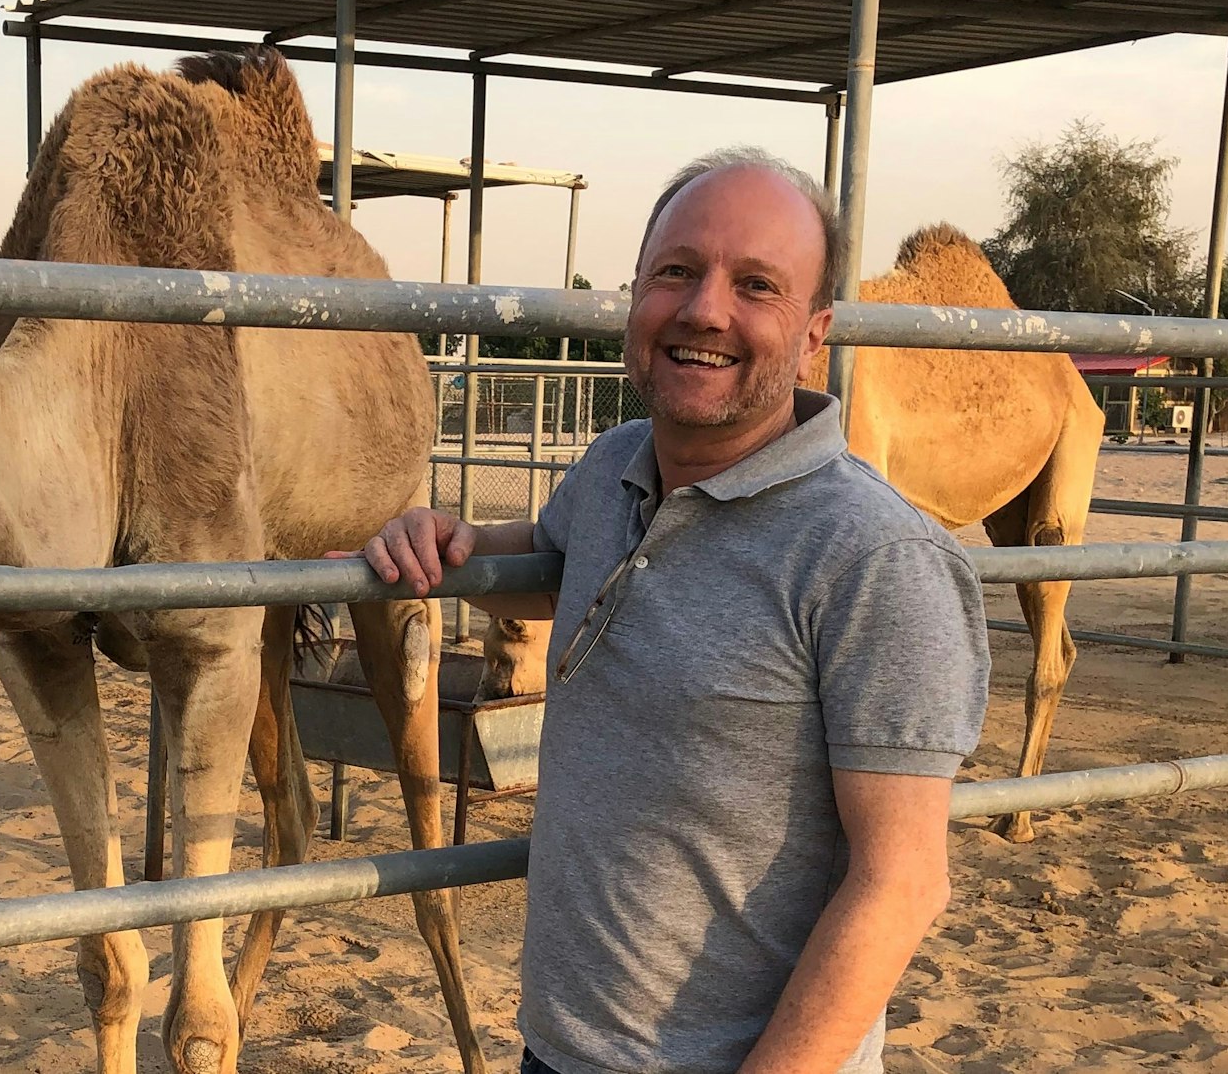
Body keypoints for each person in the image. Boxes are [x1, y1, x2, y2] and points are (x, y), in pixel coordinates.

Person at [361, 149, 989, 1074]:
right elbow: (559, 569)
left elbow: (901, 882)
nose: (704, 309)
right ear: (635, 299)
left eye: (758, 285)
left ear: (815, 334)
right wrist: (439, 540)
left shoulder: (874, 559)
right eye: (677, 271)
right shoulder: (614, 468)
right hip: (560, 1045)